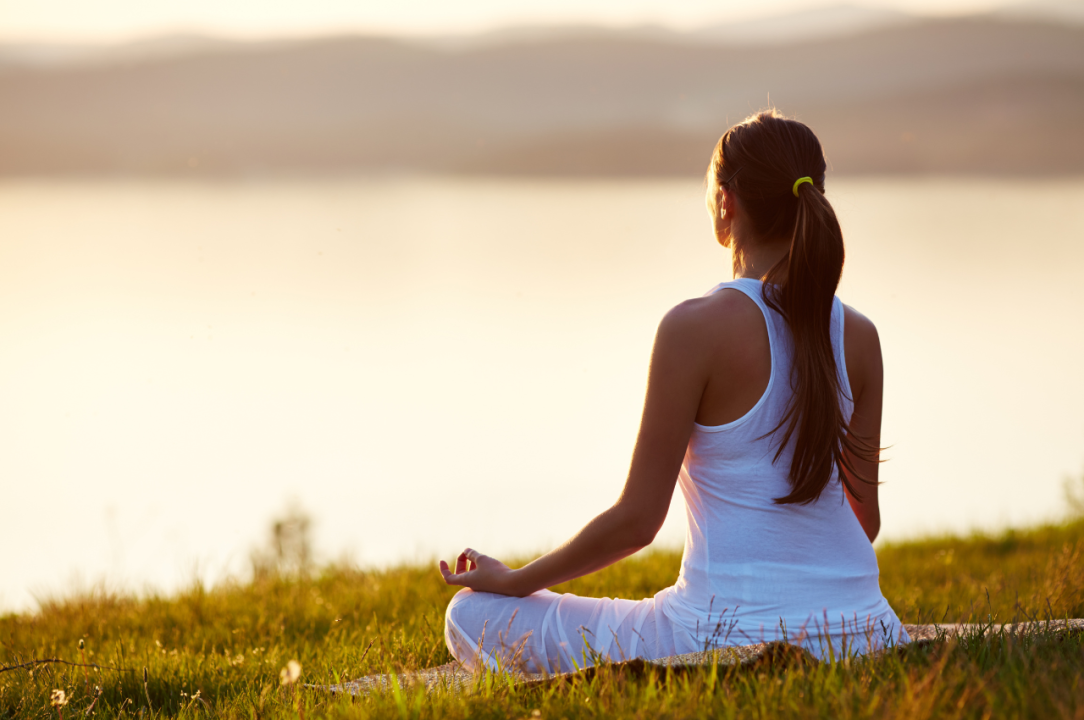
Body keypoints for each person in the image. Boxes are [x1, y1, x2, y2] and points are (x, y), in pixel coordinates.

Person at [438, 109, 909, 672]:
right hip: (869, 629)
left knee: (469, 614)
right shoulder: (859, 335)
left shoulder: (693, 329)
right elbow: (866, 523)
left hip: (716, 636)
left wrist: (515, 580)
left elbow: (638, 522)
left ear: (727, 205)